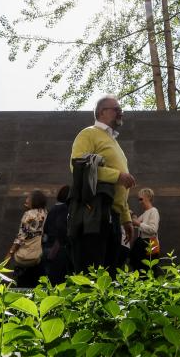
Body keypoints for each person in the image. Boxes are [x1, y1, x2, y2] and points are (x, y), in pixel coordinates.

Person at [69, 95, 136, 272]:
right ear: (101, 112)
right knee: (91, 275)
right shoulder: (88, 134)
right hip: (93, 214)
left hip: (112, 217)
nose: (121, 112)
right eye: (116, 109)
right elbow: (78, 165)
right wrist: (117, 175)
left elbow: (120, 188)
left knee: (109, 276)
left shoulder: (114, 142)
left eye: (121, 109)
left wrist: (126, 219)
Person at [8, 190, 48, 287]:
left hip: (26, 256)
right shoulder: (45, 212)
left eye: (28, 198)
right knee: (37, 284)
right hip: (39, 254)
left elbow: (20, 237)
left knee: (22, 284)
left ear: (35, 201)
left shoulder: (28, 214)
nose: (26, 200)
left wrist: (10, 253)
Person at [42, 185, 71, 284]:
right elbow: (61, 228)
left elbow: (46, 228)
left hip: (48, 247)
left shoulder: (53, 209)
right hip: (57, 250)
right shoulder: (65, 209)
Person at [130, 188, 160, 271]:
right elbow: (135, 222)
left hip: (151, 243)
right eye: (139, 200)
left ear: (148, 197)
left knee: (148, 270)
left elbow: (153, 229)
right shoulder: (145, 213)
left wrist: (139, 224)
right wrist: (131, 214)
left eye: (141, 199)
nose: (140, 202)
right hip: (143, 244)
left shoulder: (153, 211)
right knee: (140, 269)